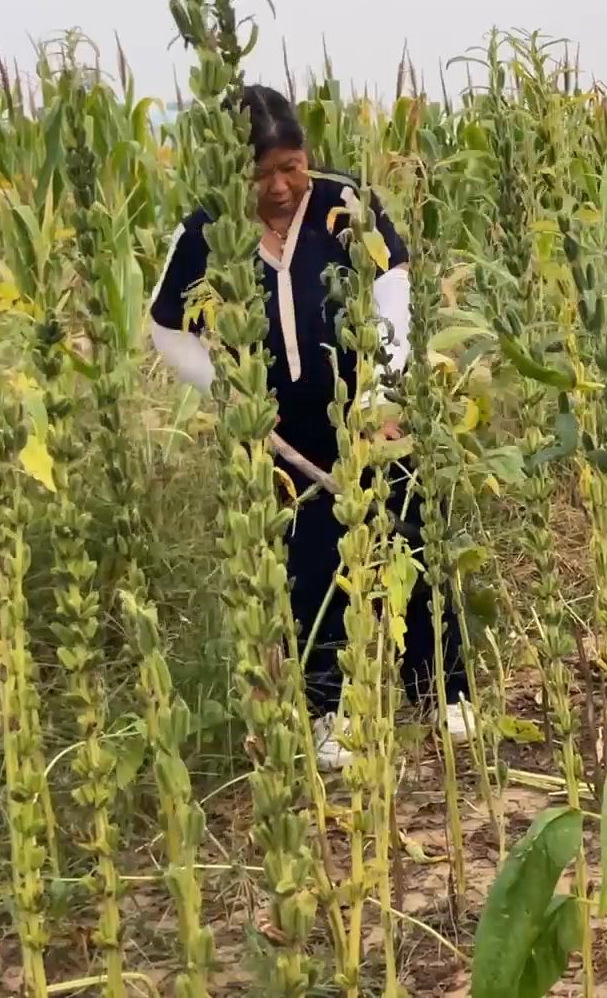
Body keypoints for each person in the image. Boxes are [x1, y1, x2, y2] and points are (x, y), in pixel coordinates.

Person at [149, 84, 469, 772]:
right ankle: (330, 713)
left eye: (291, 165)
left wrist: (382, 390)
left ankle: (442, 689)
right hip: (281, 428)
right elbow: (165, 327)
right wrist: (232, 393)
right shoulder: (208, 231)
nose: (280, 186)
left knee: (412, 535)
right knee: (309, 564)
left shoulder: (342, 202)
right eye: (261, 174)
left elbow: (394, 283)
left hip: (369, 409)